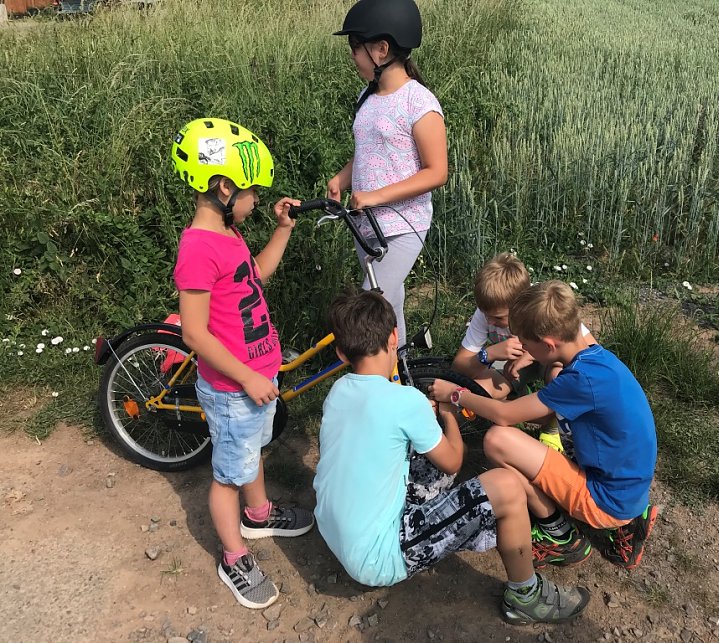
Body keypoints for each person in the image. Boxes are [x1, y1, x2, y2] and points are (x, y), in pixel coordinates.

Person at [313, 290, 590, 624]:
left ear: (342, 353)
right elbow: (453, 462)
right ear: (393, 337)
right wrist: (445, 415)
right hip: (377, 559)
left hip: (331, 529)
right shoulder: (405, 400)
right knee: (505, 485)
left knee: (423, 459)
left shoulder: (338, 390)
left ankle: (459, 523)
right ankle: (525, 595)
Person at [171, 118, 314, 609]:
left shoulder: (229, 234)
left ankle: (258, 514)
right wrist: (248, 375)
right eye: (252, 191)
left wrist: (281, 231)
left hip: (256, 376)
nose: (256, 199)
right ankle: (233, 557)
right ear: (224, 187)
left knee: (251, 453)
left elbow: (256, 277)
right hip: (234, 387)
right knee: (228, 472)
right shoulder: (196, 249)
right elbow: (193, 332)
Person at [432, 281, 659, 571]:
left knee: (497, 440)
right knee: (518, 438)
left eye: (527, 345)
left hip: (605, 499)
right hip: (630, 488)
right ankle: (629, 519)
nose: (524, 351)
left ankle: (560, 536)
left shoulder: (579, 381)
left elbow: (503, 415)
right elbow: (540, 415)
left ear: (549, 345)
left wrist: (457, 395)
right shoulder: (597, 361)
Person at [328, 0, 448, 346]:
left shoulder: (419, 103)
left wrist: (375, 196)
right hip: (366, 223)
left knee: (370, 307)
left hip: (402, 225)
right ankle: (402, 372)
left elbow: (437, 171)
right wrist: (341, 178)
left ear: (381, 50)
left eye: (356, 47)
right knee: (389, 300)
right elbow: (368, 153)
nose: (352, 55)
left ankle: (373, 381)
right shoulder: (367, 95)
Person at [451, 253, 595, 451]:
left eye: (499, 318)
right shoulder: (486, 314)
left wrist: (529, 355)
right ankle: (511, 410)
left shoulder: (543, 308)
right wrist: (490, 354)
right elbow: (459, 365)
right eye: (487, 316)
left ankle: (551, 427)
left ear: (520, 306)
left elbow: (589, 350)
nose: (491, 322)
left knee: (559, 375)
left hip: (547, 361)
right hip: (511, 365)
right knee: (481, 387)